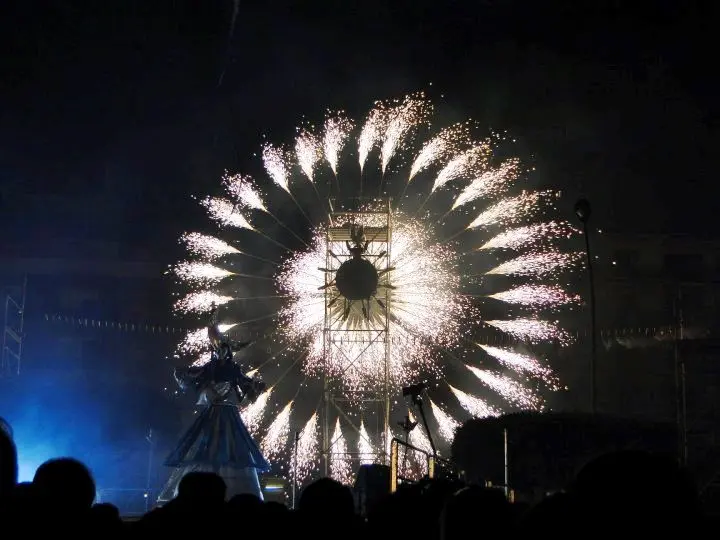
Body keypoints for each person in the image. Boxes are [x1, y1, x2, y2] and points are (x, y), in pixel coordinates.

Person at [159, 306, 270, 502]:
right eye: (218, 350)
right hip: (214, 412)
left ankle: (227, 492)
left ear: (228, 352)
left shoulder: (233, 368)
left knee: (227, 447)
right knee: (207, 446)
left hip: (226, 412)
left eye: (224, 350)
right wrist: (182, 373)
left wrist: (256, 385)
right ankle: (204, 491)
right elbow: (195, 375)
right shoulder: (210, 367)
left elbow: (244, 382)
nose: (221, 353)